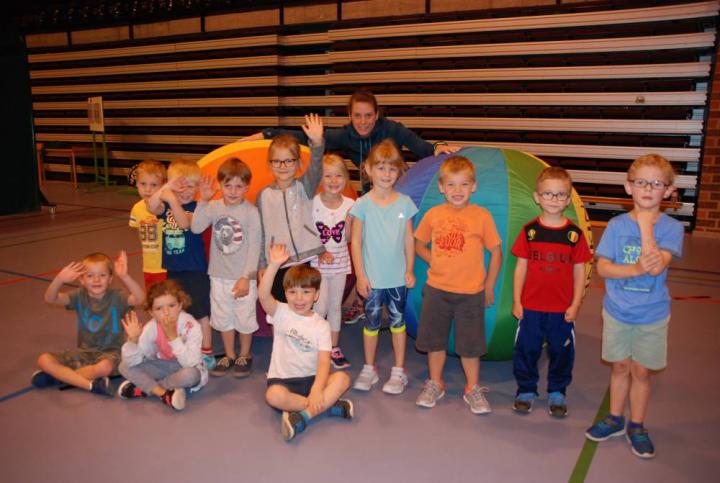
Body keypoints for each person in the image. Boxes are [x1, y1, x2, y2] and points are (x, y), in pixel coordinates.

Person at [585, 154, 683, 459]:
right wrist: (634, 268)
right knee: (619, 367)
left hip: (651, 313)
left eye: (657, 183)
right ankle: (615, 418)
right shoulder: (615, 226)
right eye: (641, 182)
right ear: (629, 187)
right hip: (617, 310)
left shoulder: (671, 228)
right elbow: (603, 268)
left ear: (668, 191)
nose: (648, 189)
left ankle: (637, 424)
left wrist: (644, 225)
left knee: (641, 371)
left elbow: (655, 267)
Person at [414, 156, 502, 414]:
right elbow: (418, 244)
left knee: (470, 346)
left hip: (470, 293)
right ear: (441, 187)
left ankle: (472, 388)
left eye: (464, 184)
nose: (457, 190)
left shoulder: (481, 216)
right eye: (451, 184)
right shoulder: (434, 214)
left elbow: (496, 252)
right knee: (435, 342)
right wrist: (434, 259)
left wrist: (489, 285)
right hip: (437, 290)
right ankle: (435, 383)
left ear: (473, 186)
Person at [510, 167, 593, 417]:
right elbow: (520, 268)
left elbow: (580, 271)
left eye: (560, 194)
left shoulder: (574, 235)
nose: (554, 199)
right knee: (526, 349)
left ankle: (557, 391)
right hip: (531, 307)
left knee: (561, 352)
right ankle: (526, 389)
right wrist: (517, 301)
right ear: (537, 197)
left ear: (568, 199)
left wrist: (575, 304)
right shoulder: (529, 232)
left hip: (561, 309)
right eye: (548, 193)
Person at [260, 243, 353, 442]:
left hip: (312, 379)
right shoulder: (281, 312)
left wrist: (317, 389)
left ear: (316, 295)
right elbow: (263, 295)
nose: (299, 298)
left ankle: (304, 416)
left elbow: (323, 362)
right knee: (273, 396)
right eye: (292, 292)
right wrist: (274, 265)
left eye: (306, 292)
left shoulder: (321, 325)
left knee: (342, 379)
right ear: (285, 294)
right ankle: (327, 406)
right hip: (283, 381)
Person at [349, 139, 418, 394]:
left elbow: (409, 239)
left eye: (392, 168)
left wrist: (409, 269)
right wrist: (360, 275)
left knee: (398, 323)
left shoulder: (405, 203)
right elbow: (356, 242)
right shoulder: (362, 204)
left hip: (397, 278)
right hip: (373, 280)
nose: (386, 174)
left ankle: (399, 371)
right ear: (368, 169)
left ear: (399, 171)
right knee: (372, 323)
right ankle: (369, 368)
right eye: (381, 168)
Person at [242, 88, 458, 168]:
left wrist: (439, 146)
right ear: (349, 116)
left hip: (398, 187)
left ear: (377, 115)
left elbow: (422, 147)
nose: (363, 122)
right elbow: (301, 136)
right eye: (357, 116)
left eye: (368, 116)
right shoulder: (345, 135)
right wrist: (265, 135)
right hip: (370, 192)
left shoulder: (393, 130)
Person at [34, 251, 144, 396]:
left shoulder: (117, 297)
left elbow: (140, 299)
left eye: (102, 275)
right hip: (84, 352)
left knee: (103, 368)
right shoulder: (79, 296)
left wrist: (125, 276)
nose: (96, 279)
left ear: (110, 278)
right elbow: (50, 298)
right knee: (43, 359)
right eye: (90, 276)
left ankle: (58, 377)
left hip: (111, 354)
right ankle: (89, 384)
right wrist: (59, 279)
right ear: (82, 280)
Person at [191, 158, 261, 378]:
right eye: (228, 185)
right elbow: (196, 227)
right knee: (223, 318)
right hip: (218, 276)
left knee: (245, 318)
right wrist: (203, 200)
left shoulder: (251, 212)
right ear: (220, 185)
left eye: (239, 186)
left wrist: (246, 277)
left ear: (247, 187)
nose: (233, 191)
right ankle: (229, 355)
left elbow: (255, 247)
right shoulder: (214, 207)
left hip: (242, 278)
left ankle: (244, 354)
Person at [147, 160, 215, 370]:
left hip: (195, 269)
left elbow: (184, 223)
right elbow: (151, 206)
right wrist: (166, 189)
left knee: (200, 312)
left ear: (198, 188)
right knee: (176, 311)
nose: (185, 191)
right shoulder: (165, 205)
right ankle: (181, 347)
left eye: (190, 186)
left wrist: (171, 198)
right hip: (174, 268)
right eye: (180, 186)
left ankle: (207, 351)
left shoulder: (198, 208)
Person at [256, 114, 325, 303]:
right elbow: (261, 233)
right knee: (281, 310)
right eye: (276, 161)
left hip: (305, 259)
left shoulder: (305, 186)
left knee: (303, 306)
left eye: (289, 160)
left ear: (298, 163)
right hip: (278, 261)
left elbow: (316, 168)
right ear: (270, 164)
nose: (283, 166)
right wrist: (262, 264)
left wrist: (317, 143)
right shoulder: (264, 195)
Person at [117, 280, 208, 410]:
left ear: (180, 305)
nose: (166, 312)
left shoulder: (191, 325)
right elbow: (133, 361)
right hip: (162, 365)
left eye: (171, 305)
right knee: (124, 366)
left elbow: (191, 363)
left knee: (191, 375)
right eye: (159, 308)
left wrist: (173, 338)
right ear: (151, 313)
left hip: (184, 366)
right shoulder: (151, 328)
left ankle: (146, 388)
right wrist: (133, 341)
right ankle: (163, 393)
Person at [311, 154, 355, 369]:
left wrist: (349, 222)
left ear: (346, 179)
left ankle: (333, 346)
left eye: (339, 175)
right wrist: (319, 251)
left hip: (340, 265)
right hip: (317, 266)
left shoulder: (351, 204)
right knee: (320, 307)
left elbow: (348, 238)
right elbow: (307, 233)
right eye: (328, 176)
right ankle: (318, 346)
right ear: (320, 178)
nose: (333, 180)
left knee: (335, 307)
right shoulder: (313, 203)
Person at [129, 159, 167, 290]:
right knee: (152, 298)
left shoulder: (167, 206)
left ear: (163, 186)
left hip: (167, 266)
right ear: (137, 184)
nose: (147, 189)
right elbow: (141, 235)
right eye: (143, 184)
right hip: (148, 266)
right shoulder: (136, 209)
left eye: (154, 185)